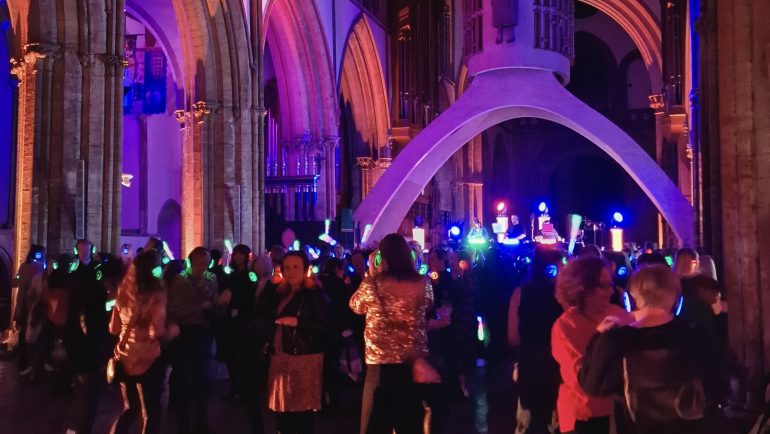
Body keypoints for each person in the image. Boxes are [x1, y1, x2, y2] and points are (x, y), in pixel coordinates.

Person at [578, 265, 714, 434]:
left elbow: (591, 385)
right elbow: (715, 383)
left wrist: (597, 338)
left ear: (631, 298)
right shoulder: (695, 334)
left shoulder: (615, 339)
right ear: (676, 299)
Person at [350, 233, 434, 434]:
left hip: (380, 359)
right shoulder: (422, 283)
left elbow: (355, 305)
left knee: (375, 419)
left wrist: (370, 273)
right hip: (411, 359)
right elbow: (428, 305)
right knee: (409, 418)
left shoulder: (374, 284)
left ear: (382, 257)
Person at [551, 256, 630, 434]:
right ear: (582, 288)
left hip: (617, 413)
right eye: (603, 286)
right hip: (584, 416)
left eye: (611, 284)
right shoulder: (567, 325)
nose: (610, 291)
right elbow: (585, 380)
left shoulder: (616, 313)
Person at [259, 251, 330, 434]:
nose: (291, 272)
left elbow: (325, 326)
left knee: (301, 409)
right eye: (287, 267)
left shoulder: (314, 293)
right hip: (281, 354)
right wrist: (270, 286)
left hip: (303, 356)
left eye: (296, 267)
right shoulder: (281, 291)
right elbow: (261, 311)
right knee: (282, 407)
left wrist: (299, 322)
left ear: (305, 269)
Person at [109, 250, 178, 434]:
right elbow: (156, 331)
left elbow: (113, 328)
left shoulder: (123, 292)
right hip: (148, 357)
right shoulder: (157, 295)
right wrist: (172, 331)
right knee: (152, 412)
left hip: (124, 356)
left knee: (130, 409)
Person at [508, 248, 565, 434]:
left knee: (529, 418)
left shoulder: (519, 294)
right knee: (555, 419)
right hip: (557, 363)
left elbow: (513, 336)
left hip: (529, 361)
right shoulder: (563, 298)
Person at [168, 247, 224, 434]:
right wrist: (201, 307)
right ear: (191, 262)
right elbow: (175, 310)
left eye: (206, 263)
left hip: (204, 333)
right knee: (185, 380)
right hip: (185, 333)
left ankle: (201, 420)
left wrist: (218, 305)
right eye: (200, 263)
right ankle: (183, 424)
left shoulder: (212, 279)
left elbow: (214, 303)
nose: (203, 267)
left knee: (204, 380)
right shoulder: (179, 281)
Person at [66, 239, 111, 434]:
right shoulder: (74, 267)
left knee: (91, 347)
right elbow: (69, 286)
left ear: (90, 250)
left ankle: (90, 374)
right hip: (76, 316)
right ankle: (77, 374)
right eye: (80, 248)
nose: (83, 251)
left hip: (93, 316)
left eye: (86, 248)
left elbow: (99, 289)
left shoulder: (97, 267)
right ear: (77, 250)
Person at [13, 244, 46, 374]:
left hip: (25, 306)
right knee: (30, 337)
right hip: (31, 308)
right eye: (42, 254)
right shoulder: (36, 268)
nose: (44, 256)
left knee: (26, 336)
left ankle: (26, 364)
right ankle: (29, 364)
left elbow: (18, 283)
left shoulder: (24, 266)